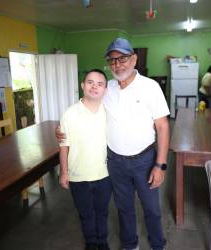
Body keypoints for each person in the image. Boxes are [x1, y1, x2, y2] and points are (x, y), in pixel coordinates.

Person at [57, 38, 169, 250]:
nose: (118, 64)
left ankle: (158, 245)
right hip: (115, 162)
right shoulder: (107, 89)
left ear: (134, 59)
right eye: (113, 60)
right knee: (124, 208)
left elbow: (163, 126)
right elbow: (84, 108)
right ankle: (130, 245)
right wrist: (60, 128)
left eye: (123, 58)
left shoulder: (150, 87)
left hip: (144, 160)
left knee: (152, 209)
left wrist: (159, 165)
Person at [59, 69, 112, 250]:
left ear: (105, 89)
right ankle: (91, 243)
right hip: (78, 176)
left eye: (99, 84)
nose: (94, 87)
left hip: (104, 174)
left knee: (102, 213)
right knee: (85, 214)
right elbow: (63, 145)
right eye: (90, 82)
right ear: (83, 86)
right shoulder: (70, 113)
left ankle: (102, 242)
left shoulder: (109, 111)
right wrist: (64, 172)